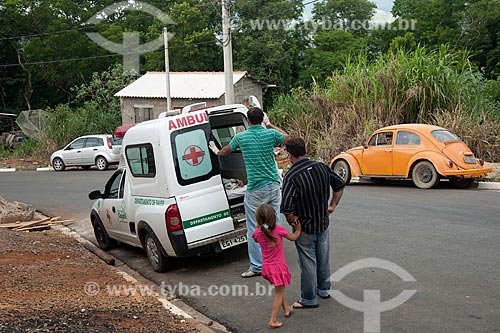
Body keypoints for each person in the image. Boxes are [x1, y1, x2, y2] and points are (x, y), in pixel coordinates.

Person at [210, 107, 289, 278]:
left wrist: (215, 150)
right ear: (262, 119)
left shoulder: (241, 137)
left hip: (255, 189)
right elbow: (288, 138)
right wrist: (270, 125)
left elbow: (225, 151)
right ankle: (277, 259)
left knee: (254, 226)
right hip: (274, 186)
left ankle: (257, 266)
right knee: (276, 222)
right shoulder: (270, 134)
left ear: (248, 120)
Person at [280, 137, 345, 308]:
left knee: (308, 261)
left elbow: (286, 207)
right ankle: (324, 289)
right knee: (323, 258)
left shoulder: (291, 176)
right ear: (305, 150)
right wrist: (332, 206)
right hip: (322, 223)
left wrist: (294, 223)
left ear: (289, 155)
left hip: (305, 227)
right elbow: (339, 184)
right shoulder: (321, 167)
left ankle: (308, 298)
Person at [252, 203, 301, 328]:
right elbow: (293, 237)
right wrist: (298, 229)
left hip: (266, 269)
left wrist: (259, 227)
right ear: (274, 217)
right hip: (278, 268)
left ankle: (286, 309)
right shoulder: (279, 230)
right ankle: (273, 320)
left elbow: (255, 239)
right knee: (279, 293)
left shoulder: (257, 233)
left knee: (279, 289)